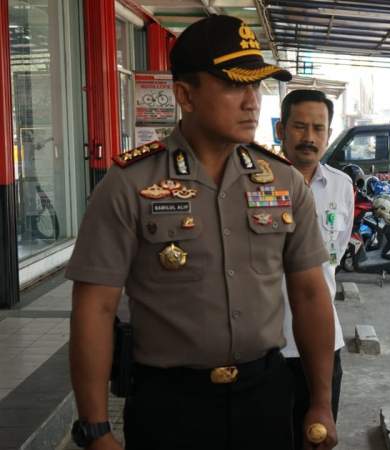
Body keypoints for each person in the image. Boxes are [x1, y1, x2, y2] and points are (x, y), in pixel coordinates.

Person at [66, 15, 337, 450]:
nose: (252, 102)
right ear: (185, 95)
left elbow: (309, 294)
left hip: (263, 399)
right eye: (234, 85)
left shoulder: (284, 181)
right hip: (169, 407)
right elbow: (94, 308)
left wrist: (321, 402)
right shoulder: (130, 184)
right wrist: (95, 428)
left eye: (257, 87)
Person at [276, 89, 354, 450]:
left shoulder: (341, 186)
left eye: (318, 129)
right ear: (281, 130)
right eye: (299, 126)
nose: (309, 137)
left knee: (317, 439)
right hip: (267, 349)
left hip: (323, 347)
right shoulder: (255, 181)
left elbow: (334, 257)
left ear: (329, 133)